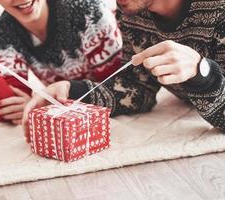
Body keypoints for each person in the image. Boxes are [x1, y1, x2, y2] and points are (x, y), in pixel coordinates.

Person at [23, 0, 225, 136]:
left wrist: (202, 72)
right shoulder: (131, 10)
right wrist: (70, 89)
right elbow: (138, 88)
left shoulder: (220, 12)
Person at [0, 0, 122, 125]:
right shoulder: (1, 32)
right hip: (66, 92)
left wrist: (43, 103)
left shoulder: (88, 11)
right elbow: (6, 108)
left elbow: (118, 88)